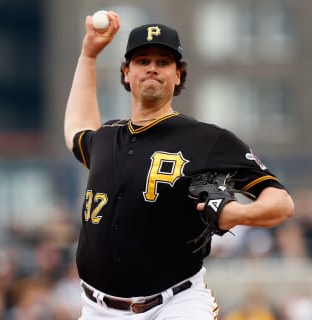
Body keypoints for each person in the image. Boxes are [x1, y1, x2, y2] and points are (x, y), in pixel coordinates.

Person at [64, 11, 294, 320]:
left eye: (163, 62)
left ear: (178, 76)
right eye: (142, 61)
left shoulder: (207, 140)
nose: (152, 69)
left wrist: (237, 214)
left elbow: (281, 202)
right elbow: (76, 128)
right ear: (126, 73)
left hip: (175, 304)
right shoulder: (106, 138)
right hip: (97, 309)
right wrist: (88, 55)